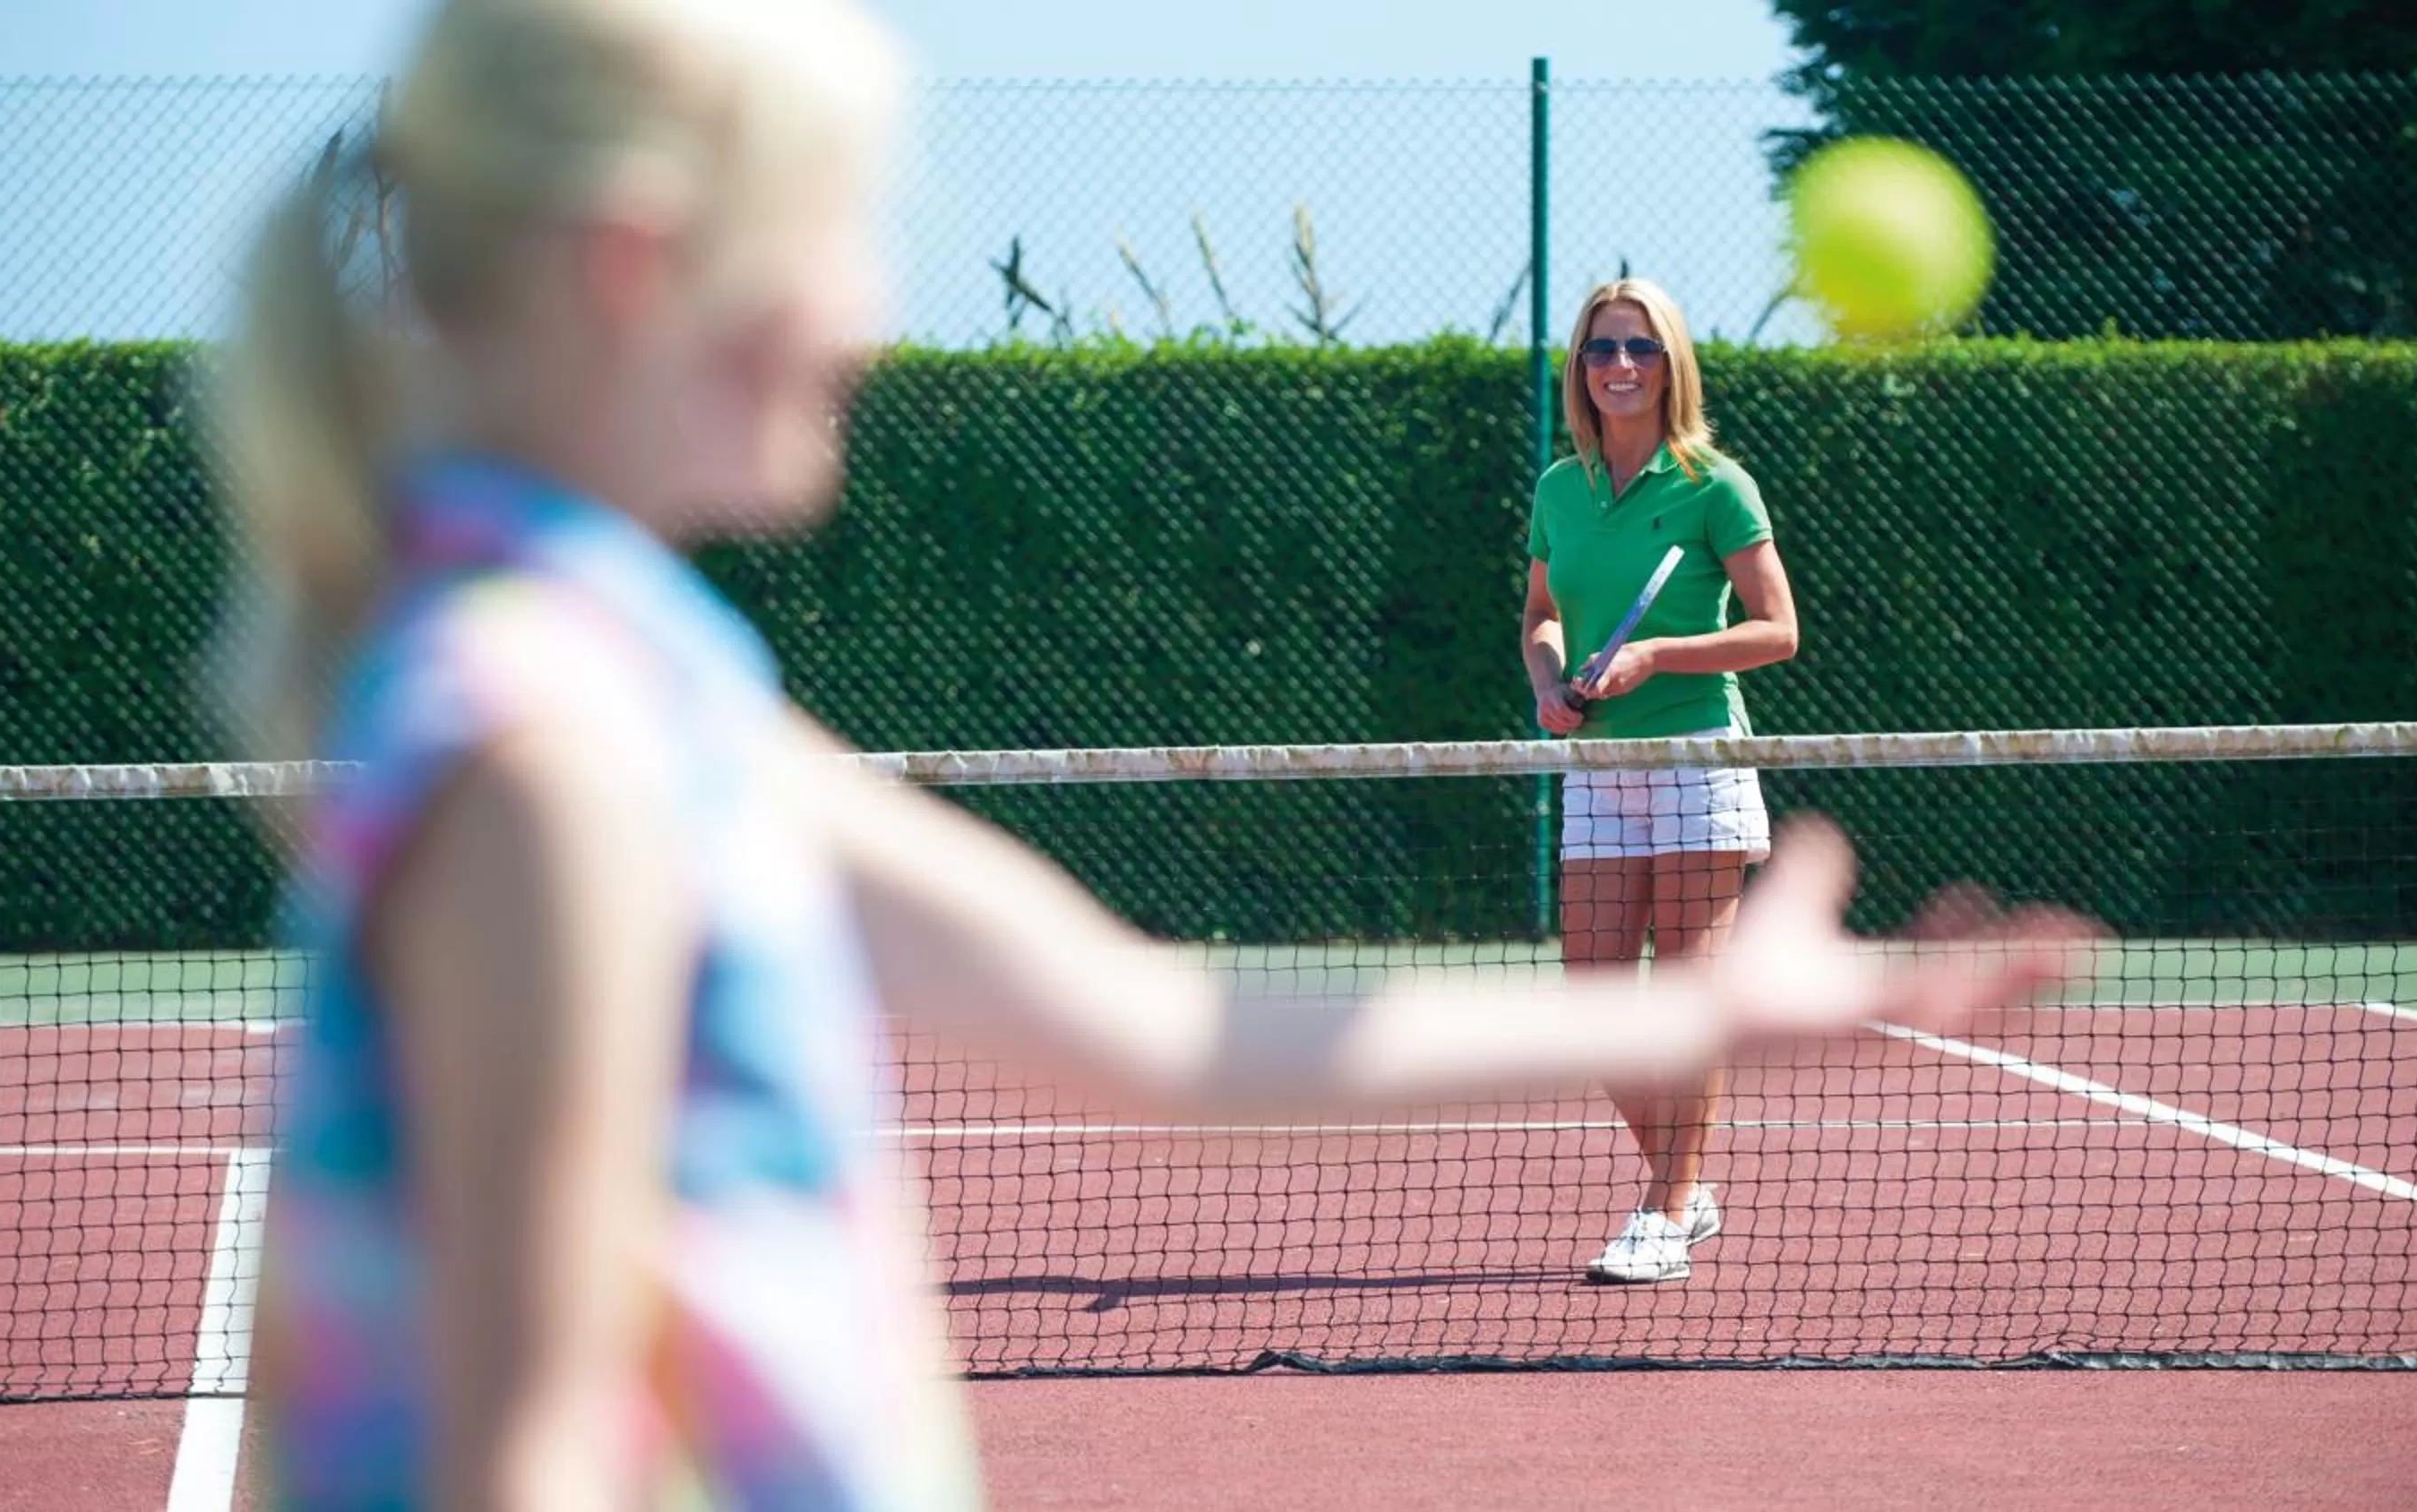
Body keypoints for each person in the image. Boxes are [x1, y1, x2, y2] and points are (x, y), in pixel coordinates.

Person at [218, 4, 2089, 1506]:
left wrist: (1712, 1013)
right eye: (838, 236)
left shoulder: (635, 688)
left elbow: (1157, 1028)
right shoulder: (548, 752)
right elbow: (522, 1453)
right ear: (641, 268)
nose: (871, 310)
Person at [1522, 279, 1804, 1285]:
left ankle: (1665, 1211)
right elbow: (1542, 614)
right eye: (1602, 348)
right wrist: (1549, 680)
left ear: (1671, 362)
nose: (1621, 365)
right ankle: (1682, 1185)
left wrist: (1656, 656)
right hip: (1599, 766)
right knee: (1597, 1004)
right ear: (1580, 368)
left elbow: (1777, 630)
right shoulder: (1560, 489)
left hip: (1697, 756)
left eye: (1640, 347)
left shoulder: (1717, 484)